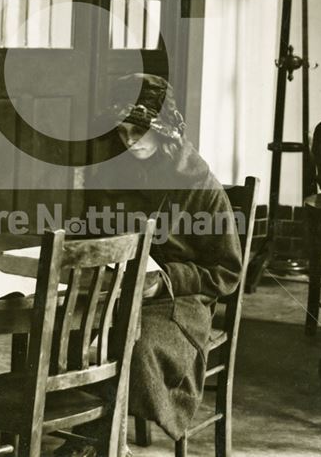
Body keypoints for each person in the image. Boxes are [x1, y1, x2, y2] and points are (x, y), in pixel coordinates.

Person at [72, 74, 243, 453]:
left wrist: (166, 279)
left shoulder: (199, 184)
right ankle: (93, 435)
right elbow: (92, 231)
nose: (128, 140)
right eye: (122, 131)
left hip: (179, 299)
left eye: (138, 130)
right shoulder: (111, 172)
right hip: (115, 286)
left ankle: (104, 442)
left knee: (135, 342)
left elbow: (228, 271)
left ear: (164, 131)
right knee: (71, 330)